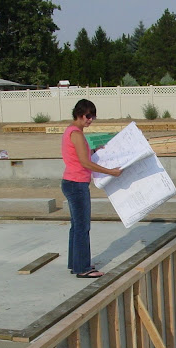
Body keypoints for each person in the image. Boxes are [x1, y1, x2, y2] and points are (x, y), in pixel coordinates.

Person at [61, 99, 121, 278]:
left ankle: (76, 263)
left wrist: (95, 150)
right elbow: (85, 162)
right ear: (79, 114)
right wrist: (110, 172)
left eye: (93, 116)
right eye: (88, 116)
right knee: (82, 227)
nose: (90, 120)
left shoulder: (71, 131)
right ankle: (83, 269)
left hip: (71, 182)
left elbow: (81, 155)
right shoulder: (76, 134)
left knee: (76, 226)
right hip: (76, 184)